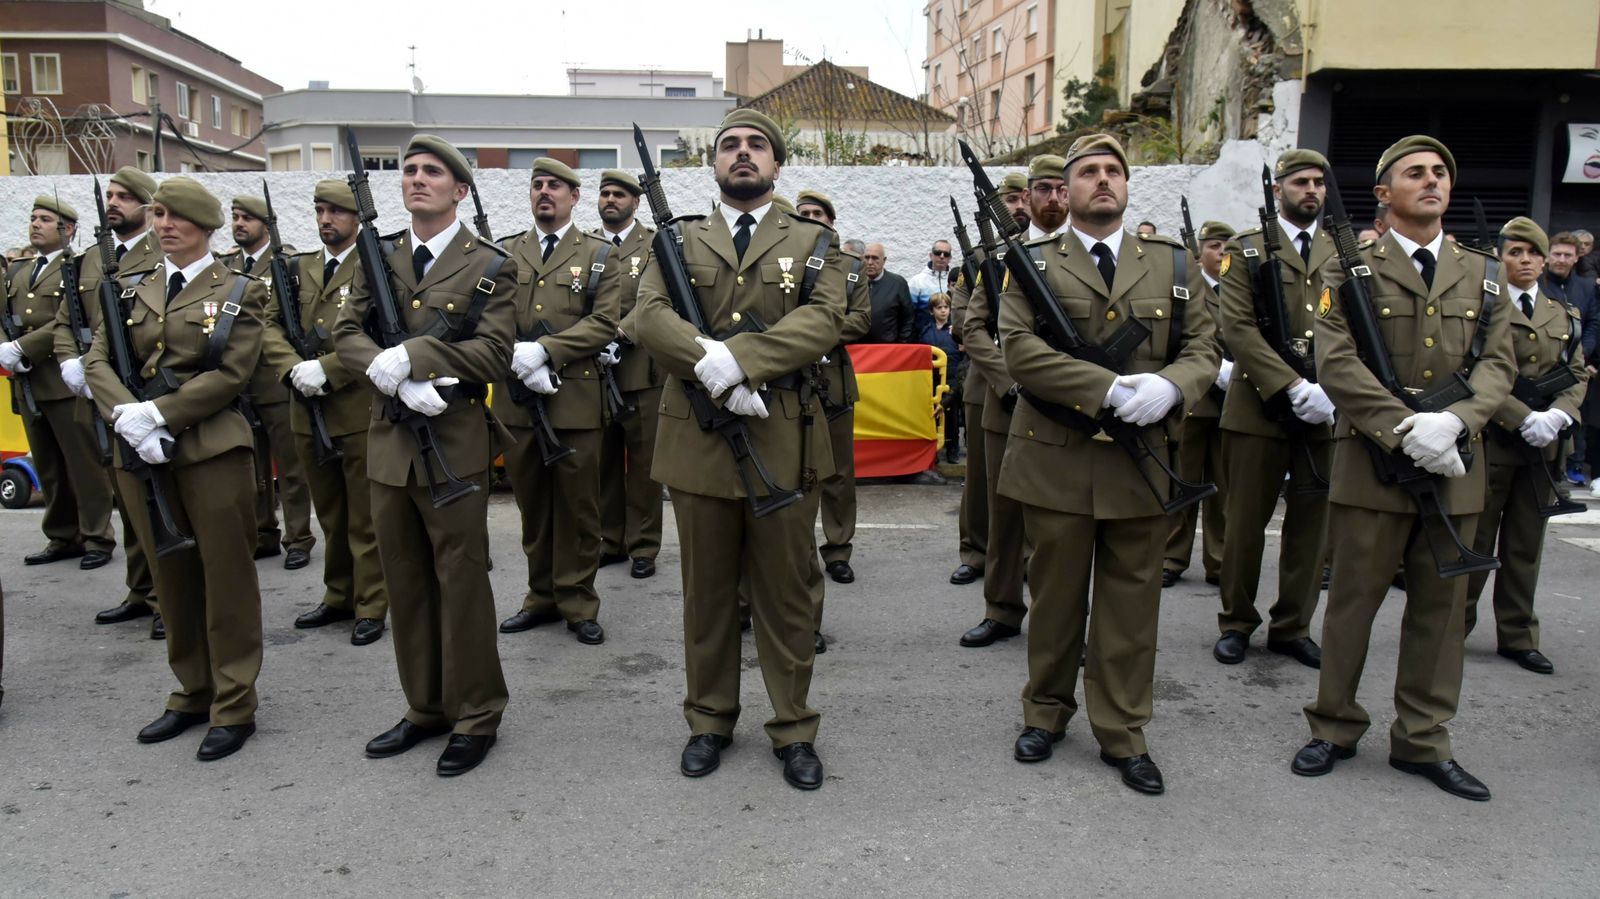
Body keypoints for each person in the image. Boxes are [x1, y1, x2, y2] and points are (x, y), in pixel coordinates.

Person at [1295, 135, 1516, 802]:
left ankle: (1422, 739)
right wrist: (1404, 428)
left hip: (1455, 464)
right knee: (1352, 604)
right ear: (1384, 193)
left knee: (1441, 614)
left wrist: (1456, 422)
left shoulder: (1485, 273)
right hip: (1371, 464)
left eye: (1440, 172)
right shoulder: (1348, 268)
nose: (1432, 180)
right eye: (1415, 173)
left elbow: (1499, 364)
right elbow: (1335, 360)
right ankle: (1334, 725)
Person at [633, 108, 846, 791]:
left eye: (757, 145)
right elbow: (645, 314)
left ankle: (794, 726)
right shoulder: (678, 239)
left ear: (777, 164)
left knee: (786, 595)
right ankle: (709, 719)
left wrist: (745, 359)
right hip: (698, 438)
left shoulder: (814, 240)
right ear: (715, 163)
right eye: (730, 145)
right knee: (707, 593)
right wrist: (711, 362)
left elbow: (826, 318)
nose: (743, 153)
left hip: (783, 434)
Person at [999, 135, 1219, 795]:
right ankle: (1045, 712)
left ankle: (1123, 729)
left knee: (1131, 606)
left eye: (1113, 171)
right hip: (1057, 458)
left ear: (1127, 185)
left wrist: (1173, 386)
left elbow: (1204, 346)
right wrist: (1107, 389)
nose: (1102, 180)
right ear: (1066, 189)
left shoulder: (1173, 264)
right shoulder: (1034, 262)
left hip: (1141, 462)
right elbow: (1019, 349)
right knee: (1055, 600)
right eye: (1088, 171)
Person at [333, 134, 516, 777]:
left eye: (432, 172)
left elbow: (494, 352)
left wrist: (416, 359)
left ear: (459, 189)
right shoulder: (379, 255)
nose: (416, 178)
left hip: (452, 441)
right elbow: (345, 332)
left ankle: (477, 712)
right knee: (405, 582)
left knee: (461, 581)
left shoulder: (489, 263)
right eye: (409, 170)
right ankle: (426, 705)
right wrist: (384, 373)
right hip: (390, 442)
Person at [83, 176, 267, 761]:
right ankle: (192, 690)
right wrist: (129, 417)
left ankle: (233, 702)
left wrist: (161, 413)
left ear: (204, 226)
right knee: (171, 576)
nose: (163, 225)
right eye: (158, 214)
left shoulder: (238, 289)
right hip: (140, 451)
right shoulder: (130, 288)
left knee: (226, 578)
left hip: (211, 450)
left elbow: (231, 373)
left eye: (175, 216)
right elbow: (98, 358)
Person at [1212, 148, 1338, 670]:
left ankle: (1293, 626)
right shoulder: (1244, 250)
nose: (1311, 190)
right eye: (1300, 181)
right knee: (1245, 524)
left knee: (1311, 526)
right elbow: (1237, 327)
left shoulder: (1342, 250)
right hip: (1257, 407)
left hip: (1325, 408)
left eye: (1318, 183)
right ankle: (1236, 622)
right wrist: (1290, 384)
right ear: (1278, 188)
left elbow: (1356, 327)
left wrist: (1330, 390)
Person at [494, 157, 621, 647]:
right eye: (537, 185)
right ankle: (540, 597)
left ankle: (578, 601)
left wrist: (546, 350)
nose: (544, 192)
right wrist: (516, 353)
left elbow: (603, 322)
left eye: (555, 186)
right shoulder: (506, 251)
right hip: (518, 401)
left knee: (578, 509)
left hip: (574, 402)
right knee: (533, 507)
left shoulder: (598, 254)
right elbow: (490, 316)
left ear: (574, 196)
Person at [261, 180, 390, 645]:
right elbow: (269, 325)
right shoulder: (298, 268)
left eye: (335, 211)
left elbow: (381, 333)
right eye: (319, 211)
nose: (325, 220)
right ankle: (339, 595)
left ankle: (371, 602)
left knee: (365, 517)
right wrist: (292, 368)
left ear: (356, 217)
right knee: (331, 513)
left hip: (356, 409)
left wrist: (329, 369)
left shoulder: (377, 266)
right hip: (305, 406)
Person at [1463, 218, 1587, 674]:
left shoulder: (1563, 315)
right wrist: (1521, 416)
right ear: (1500, 257)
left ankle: (1517, 635)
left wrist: (1558, 415)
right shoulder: (1483, 308)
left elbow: (1576, 372)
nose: (1526, 261)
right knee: (1475, 542)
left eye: (1533, 253)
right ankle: (1452, 626)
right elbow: (1474, 371)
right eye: (1515, 252)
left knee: (1525, 546)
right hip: (1492, 442)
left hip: (1542, 450)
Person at [957, 155, 1067, 649]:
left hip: (1070, 406)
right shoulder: (1001, 259)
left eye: (1060, 189)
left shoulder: (1088, 257)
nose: (1051, 199)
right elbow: (974, 329)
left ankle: (1063, 620)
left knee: (1063, 522)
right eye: (1041, 189)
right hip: (1009, 403)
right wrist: (1010, 379)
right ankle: (1001, 609)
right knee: (1004, 517)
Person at [57, 167, 165, 637]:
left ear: (146, 206)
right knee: (124, 497)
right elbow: (65, 319)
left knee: (152, 500)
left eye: (123, 196)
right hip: (97, 394)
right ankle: (140, 590)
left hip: (141, 395)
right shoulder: (88, 260)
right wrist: (69, 361)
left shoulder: (162, 254)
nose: (113, 203)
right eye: (111, 196)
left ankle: (166, 599)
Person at [1, 196, 118, 574]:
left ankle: (97, 536)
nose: (35, 224)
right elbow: (4, 315)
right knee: (47, 465)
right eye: (33, 218)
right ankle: (63, 535)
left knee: (84, 465)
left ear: (67, 229)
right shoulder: (19, 271)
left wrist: (25, 346)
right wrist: (6, 348)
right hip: (29, 382)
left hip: (63, 382)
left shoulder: (78, 268)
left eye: (45, 219)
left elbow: (71, 321)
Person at [226, 196, 314, 571]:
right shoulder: (226, 265)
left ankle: (298, 537)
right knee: (252, 465)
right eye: (235, 217)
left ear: (267, 224)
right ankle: (263, 532)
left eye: (247, 218)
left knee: (291, 465)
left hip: (274, 378)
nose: (239, 223)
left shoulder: (285, 262)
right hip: (237, 379)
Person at [949, 173, 1028, 587]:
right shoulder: (980, 260)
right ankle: (976, 551)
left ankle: (1029, 554)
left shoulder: (1049, 252)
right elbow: (962, 320)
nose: (1017, 207)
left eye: (1022, 198)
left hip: (1041, 380)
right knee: (980, 477)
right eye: (1009, 199)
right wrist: (1004, 369)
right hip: (987, 381)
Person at [794, 189, 872, 599]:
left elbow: (861, 320)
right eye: (803, 213)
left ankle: (838, 550)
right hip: (791, 379)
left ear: (831, 221)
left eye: (817, 213)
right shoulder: (786, 257)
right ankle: (797, 547)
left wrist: (813, 334)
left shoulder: (852, 266)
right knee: (795, 471)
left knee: (839, 472)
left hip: (834, 381)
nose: (810, 219)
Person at [595, 169, 665, 580]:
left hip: (641, 372)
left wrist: (621, 332)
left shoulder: (653, 244)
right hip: (594, 372)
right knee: (602, 463)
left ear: (635, 203)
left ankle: (643, 546)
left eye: (619, 194)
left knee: (643, 466)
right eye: (605, 193)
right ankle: (611, 540)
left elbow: (657, 298)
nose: (610, 199)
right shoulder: (587, 244)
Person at [1161, 219, 1234, 590]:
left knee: (1223, 487)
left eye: (1226, 248)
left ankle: (1219, 561)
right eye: (1214, 246)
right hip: (1194, 400)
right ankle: (1172, 557)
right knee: (1184, 482)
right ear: (1199, 252)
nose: (1220, 253)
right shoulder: (1187, 286)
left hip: (1230, 401)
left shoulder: (1238, 288)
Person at [1542, 232, 1599, 486]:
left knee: (1575, 418)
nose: (1562, 259)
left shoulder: (1586, 287)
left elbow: (1594, 322)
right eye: (1557, 254)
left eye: (1568, 255)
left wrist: (1583, 354)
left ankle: (1570, 467)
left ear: (1577, 258)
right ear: (1547, 256)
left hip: (1577, 365)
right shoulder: (1538, 283)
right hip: (1544, 364)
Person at [921, 292, 964, 463]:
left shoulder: (956, 331)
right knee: (933, 415)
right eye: (939, 307)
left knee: (952, 417)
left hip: (952, 379)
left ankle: (953, 449)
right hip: (932, 379)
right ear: (932, 311)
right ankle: (934, 450)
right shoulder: (926, 331)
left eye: (946, 307)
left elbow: (962, 354)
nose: (943, 311)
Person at [861, 244, 915, 343]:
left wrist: (901, 345)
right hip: (858, 347)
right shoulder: (854, 283)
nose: (870, 262)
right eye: (867, 257)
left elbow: (908, 319)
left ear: (884, 260)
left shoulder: (897, 283)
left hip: (888, 347)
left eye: (875, 258)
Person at [907, 240, 954, 335]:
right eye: (938, 253)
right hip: (924, 338)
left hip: (951, 338)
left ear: (950, 258)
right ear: (931, 255)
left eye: (946, 254)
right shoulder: (917, 281)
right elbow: (908, 315)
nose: (942, 256)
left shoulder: (955, 282)